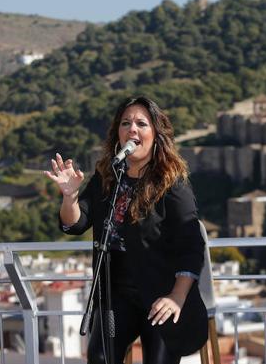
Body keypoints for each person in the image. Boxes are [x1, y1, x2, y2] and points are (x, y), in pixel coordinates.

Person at [45, 96, 208, 364]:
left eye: (141, 123)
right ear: (117, 134)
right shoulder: (108, 176)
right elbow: (75, 223)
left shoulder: (172, 184)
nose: (132, 129)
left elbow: (191, 245)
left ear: (156, 135)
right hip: (116, 294)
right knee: (99, 358)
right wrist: (69, 197)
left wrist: (177, 296)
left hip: (160, 293)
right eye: (126, 123)